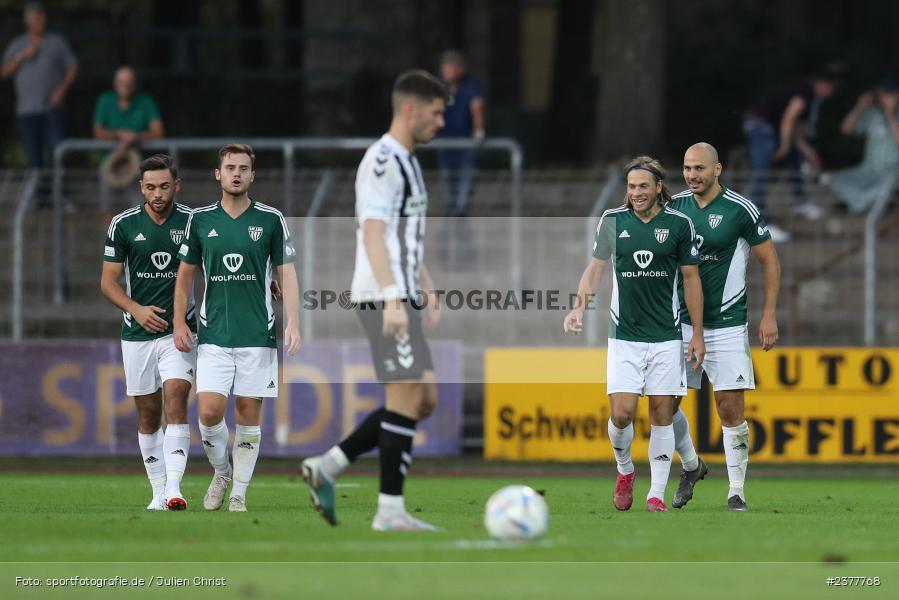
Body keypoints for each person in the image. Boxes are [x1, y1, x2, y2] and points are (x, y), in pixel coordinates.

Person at [301, 70, 446, 531]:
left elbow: (401, 235)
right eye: (436, 113)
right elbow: (372, 233)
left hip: (401, 289)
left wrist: (424, 281)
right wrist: (392, 298)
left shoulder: (408, 161)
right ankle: (390, 511)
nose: (441, 122)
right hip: (384, 294)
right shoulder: (383, 161)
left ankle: (328, 466)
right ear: (411, 109)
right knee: (405, 396)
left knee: (423, 398)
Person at [564, 156, 705, 513]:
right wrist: (578, 307)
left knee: (662, 413)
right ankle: (625, 470)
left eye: (643, 186)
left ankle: (656, 494)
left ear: (659, 187)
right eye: (631, 187)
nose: (636, 193)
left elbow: (691, 280)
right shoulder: (612, 221)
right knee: (622, 414)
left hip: (666, 335)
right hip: (624, 336)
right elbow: (595, 270)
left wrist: (697, 334)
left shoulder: (679, 224)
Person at [173, 144, 301, 513]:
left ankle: (239, 493)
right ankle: (221, 472)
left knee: (248, 414)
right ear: (218, 174)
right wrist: (179, 321)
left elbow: (287, 273)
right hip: (214, 333)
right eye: (230, 167)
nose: (236, 174)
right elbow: (184, 277)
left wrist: (294, 322)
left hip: (257, 334)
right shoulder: (200, 220)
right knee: (209, 413)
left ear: (252, 176)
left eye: (243, 168)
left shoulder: (271, 219)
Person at [667, 142, 781, 512]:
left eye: (699, 168)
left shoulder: (740, 209)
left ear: (718, 169)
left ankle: (736, 492)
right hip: (680, 325)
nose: (692, 175)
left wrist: (768, 314)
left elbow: (769, 260)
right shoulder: (674, 208)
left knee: (729, 408)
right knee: (663, 406)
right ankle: (692, 465)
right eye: (687, 168)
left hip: (727, 324)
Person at [100, 154, 195, 511]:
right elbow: (108, 283)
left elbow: (221, 260)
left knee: (176, 400)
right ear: (141, 187)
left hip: (179, 330)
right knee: (149, 415)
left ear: (177, 186)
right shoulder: (123, 225)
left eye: (164, 186)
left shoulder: (193, 222)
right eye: (151, 187)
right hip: (137, 333)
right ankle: (157, 491)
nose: (158, 194)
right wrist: (136, 310)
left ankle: (174, 489)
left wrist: (266, 280)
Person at [743, 67, 841, 240]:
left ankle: (800, 202)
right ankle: (757, 223)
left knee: (794, 159)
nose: (832, 92)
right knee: (762, 173)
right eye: (832, 87)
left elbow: (797, 134)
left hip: (767, 127)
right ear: (823, 84)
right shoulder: (805, 92)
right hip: (760, 125)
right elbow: (788, 119)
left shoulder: (807, 96)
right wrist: (784, 145)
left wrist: (810, 154)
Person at [1, 1, 77, 169]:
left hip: (52, 109)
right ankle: (37, 186)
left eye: (42, 16)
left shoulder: (57, 42)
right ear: (27, 20)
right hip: (26, 111)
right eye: (36, 17)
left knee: (57, 155)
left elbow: (72, 67)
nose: (40, 20)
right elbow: (4, 72)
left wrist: (62, 89)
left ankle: (59, 185)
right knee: (33, 159)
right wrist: (21, 56)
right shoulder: (18, 44)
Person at [827, 77, 899, 213]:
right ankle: (867, 203)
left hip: (893, 171)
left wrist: (890, 115)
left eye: (888, 94)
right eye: (881, 94)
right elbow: (846, 129)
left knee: (887, 185)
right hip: (868, 168)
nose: (883, 97)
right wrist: (859, 106)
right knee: (833, 179)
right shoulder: (873, 114)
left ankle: (858, 204)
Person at [436, 49, 484, 218]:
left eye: (450, 66)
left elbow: (477, 105)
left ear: (460, 69)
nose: (446, 70)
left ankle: (460, 216)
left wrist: (479, 130)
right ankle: (451, 217)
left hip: (466, 144)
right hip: (444, 143)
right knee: (447, 185)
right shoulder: (438, 84)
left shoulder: (470, 83)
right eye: (444, 66)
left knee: (465, 186)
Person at [93, 65, 165, 151]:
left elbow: (158, 132)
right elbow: (97, 132)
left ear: (135, 84)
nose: (124, 85)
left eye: (128, 82)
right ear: (114, 83)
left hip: (139, 156)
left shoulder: (146, 101)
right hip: (111, 156)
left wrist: (136, 137)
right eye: (121, 82)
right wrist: (118, 134)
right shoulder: (105, 100)